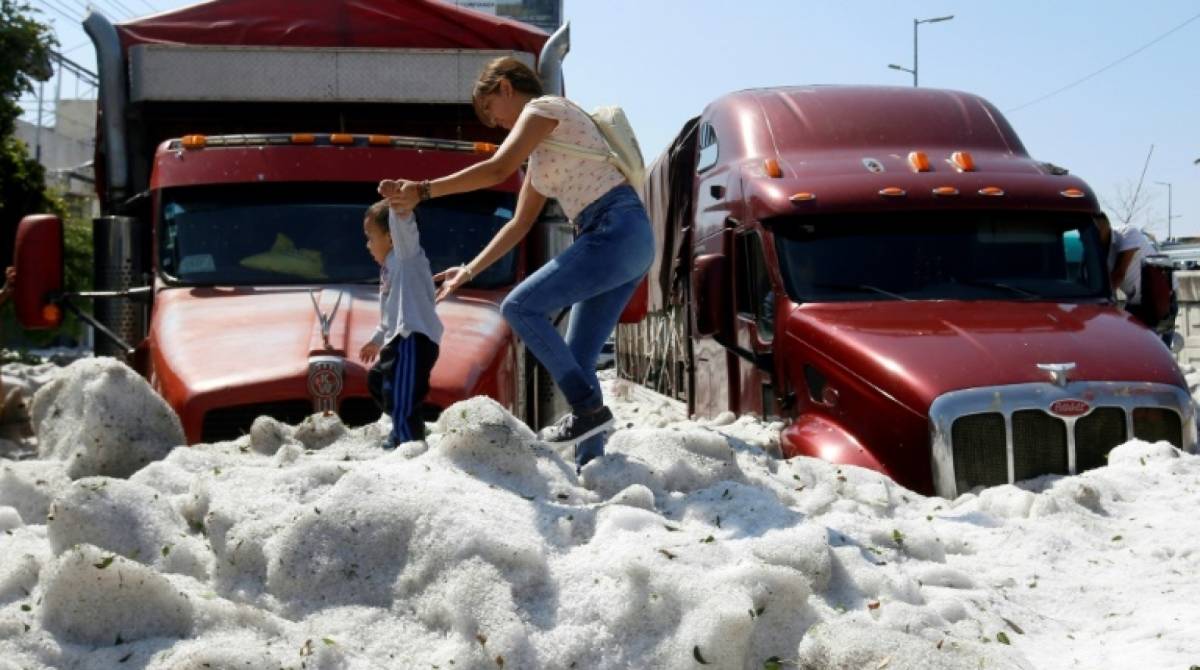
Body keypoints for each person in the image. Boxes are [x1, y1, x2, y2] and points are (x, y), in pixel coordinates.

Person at [380, 56, 654, 467]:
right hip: (622, 239)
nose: (498, 125)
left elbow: (496, 169)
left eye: (492, 111)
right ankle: (593, 466)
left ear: (506, 87)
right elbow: (519, 225)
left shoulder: (544, 108)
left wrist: (423, 190)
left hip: (615, 228)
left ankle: (590, 411)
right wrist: (469, 269)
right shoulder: (542, 160)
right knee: (578, 361)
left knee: (519, 306)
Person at [359, 200, 443, 448]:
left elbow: (404, 226)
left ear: (392, 237)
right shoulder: (388, 269)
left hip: (413, 338)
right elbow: (388, 314)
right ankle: (407, 426)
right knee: (378, 380)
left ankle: (406, 442)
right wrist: (376, 340)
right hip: (396, 339)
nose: (367, 245)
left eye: (370, 237)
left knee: (402, 394)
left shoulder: (406, 257)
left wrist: (398, 203)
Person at [1095, 213, 1177, 344]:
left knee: (1157, 348)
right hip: (1135, 302)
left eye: (1096, 230)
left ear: (1106, 227)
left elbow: (1119, 273)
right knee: (1128, 345)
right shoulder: (1096, 250)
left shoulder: (1128, 233)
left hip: (1160, 300)